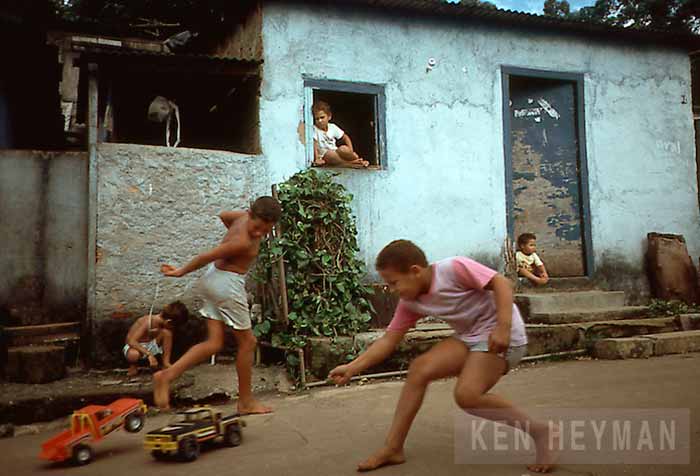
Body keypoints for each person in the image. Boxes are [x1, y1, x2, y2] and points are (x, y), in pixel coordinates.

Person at [328, 240, 556, 473]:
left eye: (394, 283)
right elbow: (388, 340)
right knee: (419, 369)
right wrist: (353, 368)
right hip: (469, 337)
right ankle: (393, 448)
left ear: (415, 271)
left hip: (504, 336)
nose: (393, 290)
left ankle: (540, 431)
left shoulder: (453, 269)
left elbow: (503, 283)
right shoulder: (410, 302)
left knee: (467, 395)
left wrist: (504, 327)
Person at [155, 196, 282, 413]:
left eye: (266, 231)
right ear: (251, 214)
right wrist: (180, 271)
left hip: (212, 279)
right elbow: (206, 256)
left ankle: (166, 375)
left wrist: (237, 230)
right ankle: (246, 402)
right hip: (227, 285)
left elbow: (223, 215)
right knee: (248, 342)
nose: (259, 234)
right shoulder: (241, 242)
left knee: (214, 343)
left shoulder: (240, 217)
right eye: (258, 227)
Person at [123, 301, 188, 377]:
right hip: (134, 346)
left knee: (167, 333)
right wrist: (149, 354)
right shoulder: (148, 322)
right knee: (133, 355)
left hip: (149, 345)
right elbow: (132, 341)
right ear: (168, 322)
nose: (173, 330)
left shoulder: (162, 325)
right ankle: (133, 366)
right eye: (174, 327)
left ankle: (165, 363)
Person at [312, 100, 369, 168]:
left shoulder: (332, 127)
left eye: (322, 117)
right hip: (326, 155)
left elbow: (345, 137)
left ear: (329, 117)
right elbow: (314, 143)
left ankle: (357, 160)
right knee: (330, 155)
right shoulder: (314, 129)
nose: (320, 121)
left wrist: (351, 151)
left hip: (336, 152)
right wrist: (317, 158)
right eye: (317, 119)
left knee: (343, 149)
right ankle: (353, 163)